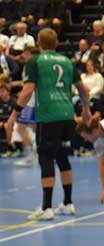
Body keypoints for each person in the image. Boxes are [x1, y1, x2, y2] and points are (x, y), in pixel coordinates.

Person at [5, 29, 92, 220]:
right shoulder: (67, 61)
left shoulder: (35, 61)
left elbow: (28, 90)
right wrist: (86, 109)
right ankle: (68, 203)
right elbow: (83, 89)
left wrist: (13, 116)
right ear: (56, 43)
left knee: (45, 157)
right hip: (67, 115)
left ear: (38, 43)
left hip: (48, 116)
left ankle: (46, 207)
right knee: (62, 156)